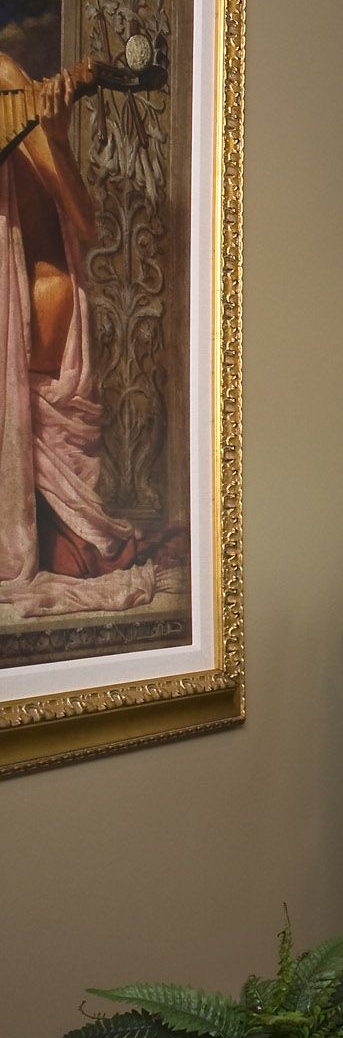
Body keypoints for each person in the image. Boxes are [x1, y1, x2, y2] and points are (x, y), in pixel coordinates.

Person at [0, 51, 147, 615]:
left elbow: (83, 223)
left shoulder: (7, 84)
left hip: (43, 325)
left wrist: (56, 137)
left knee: (78, 557)